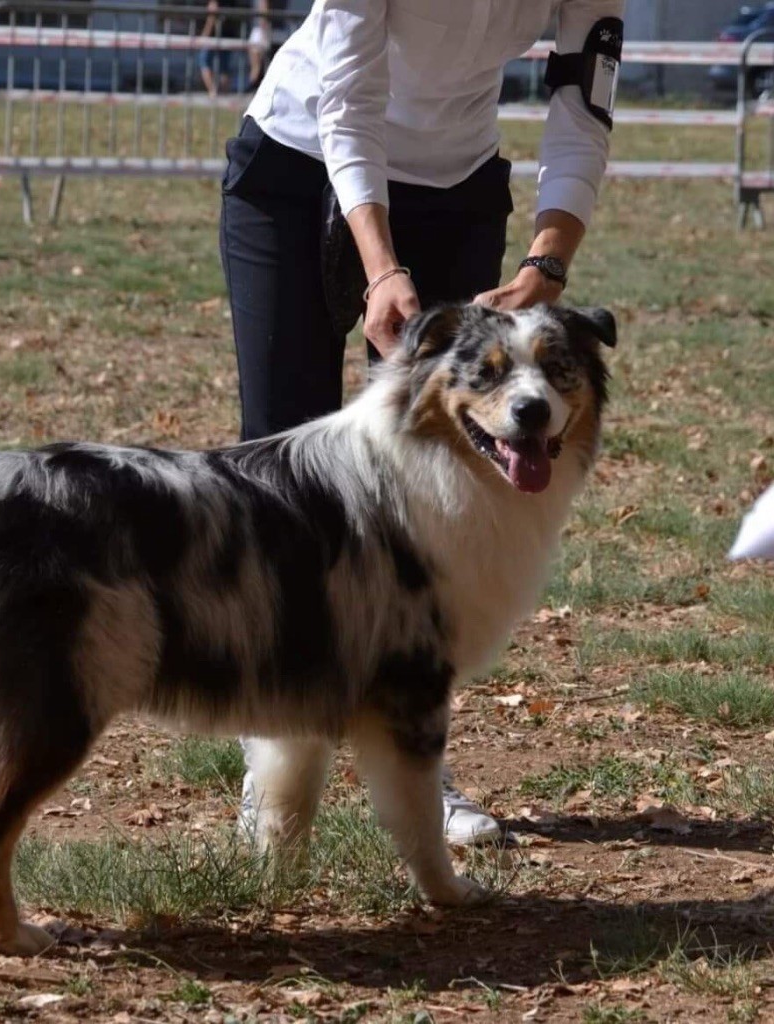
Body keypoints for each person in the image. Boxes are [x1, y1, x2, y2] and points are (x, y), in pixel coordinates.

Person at [220, 0, 624, 845]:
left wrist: (544, 264)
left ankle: (415, 763)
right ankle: (275, 773)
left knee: (428, 508)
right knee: (286, 489)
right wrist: (379, 267)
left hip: (455, 187)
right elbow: (347, 100)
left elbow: (582, 106)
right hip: (297, 168)